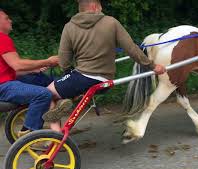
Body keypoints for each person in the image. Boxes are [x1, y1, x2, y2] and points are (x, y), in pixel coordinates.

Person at [43, 0, 166, 131]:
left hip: (82, 77)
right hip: (105, 80)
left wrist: (67, 72)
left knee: (46, 93)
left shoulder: (69, 27)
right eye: (101, 5)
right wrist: (152, 66)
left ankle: (54, 136)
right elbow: (132, 49)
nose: (102, 9)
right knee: (67, 86)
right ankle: (68, 99)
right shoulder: (111, 22)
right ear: (94, 6)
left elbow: (64, 60)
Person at [0, 8, 59, 135]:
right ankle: (29, 133)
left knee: (37, 77)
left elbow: (9, 71)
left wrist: (34, 69)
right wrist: (47, 61)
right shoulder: (2, 39)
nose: (10, 21)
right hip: (3, 87)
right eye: (6, 18)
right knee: (43, 94)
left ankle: (61, 92)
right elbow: (17, 65)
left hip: (5, 82)